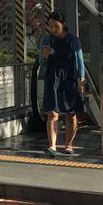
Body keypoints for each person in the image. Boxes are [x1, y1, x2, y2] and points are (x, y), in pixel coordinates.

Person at [38, 10, 87, 156]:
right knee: (52, 113)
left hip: (70, 78)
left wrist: (81, 79)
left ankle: (68, 145)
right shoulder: (46, 40)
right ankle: (52, 145)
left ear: (63, 24)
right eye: (50, 26)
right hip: (52, 78)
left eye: (55, 26)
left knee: (71, 113)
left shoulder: (73, 40)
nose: (52, 29)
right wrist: (44, 56)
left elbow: (80, 60)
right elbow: (41, 62)